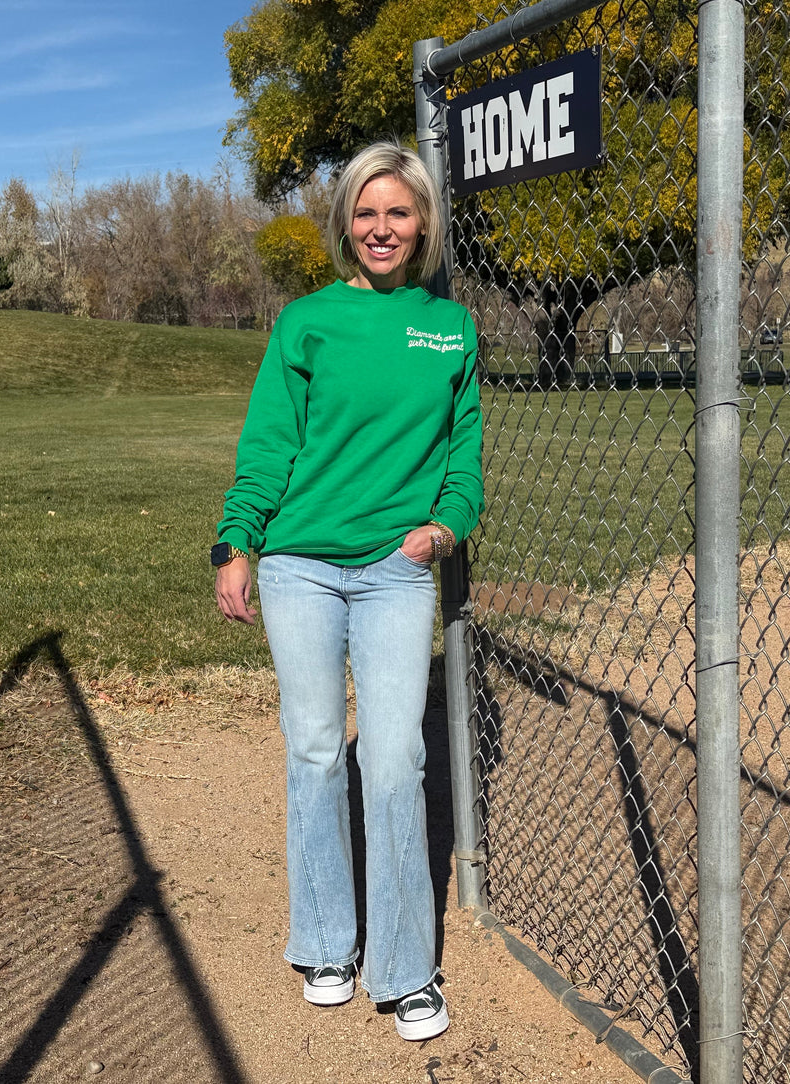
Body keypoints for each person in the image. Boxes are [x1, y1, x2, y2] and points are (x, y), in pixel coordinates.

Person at [211, 140, 483, 1042]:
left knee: (395, 756)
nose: (380, 228)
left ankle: (405, 970)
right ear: (345, 225)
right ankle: (328, 942)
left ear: (422, 224)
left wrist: (441, 530)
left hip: (395, 568)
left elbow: (463, 462)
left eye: (397, 212)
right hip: (299, 564)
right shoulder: (306, 322)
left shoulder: (450, 330)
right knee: (318, 748)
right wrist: (236, 543)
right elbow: (268, 446)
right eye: (365, 213)